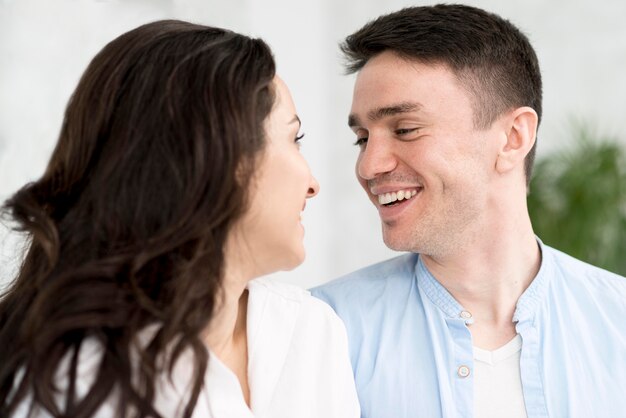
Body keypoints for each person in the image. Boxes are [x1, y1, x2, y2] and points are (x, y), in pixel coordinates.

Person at [0, 20, 359, 418]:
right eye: (295, 139)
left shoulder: (312, 333)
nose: (313, 185)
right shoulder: (72, 382)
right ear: (223, 160)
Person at [311, 4, 626, 418]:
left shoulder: (617, 321)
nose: (369, 166)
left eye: (405, 129)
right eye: (362, 139)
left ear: (513, 138)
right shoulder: (322, 330)